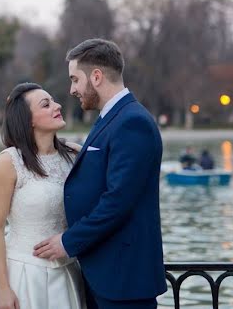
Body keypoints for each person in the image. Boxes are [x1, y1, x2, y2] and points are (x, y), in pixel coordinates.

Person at [34, 38, 166, 309]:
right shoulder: (112, 117)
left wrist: (69, 242)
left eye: (75, 79)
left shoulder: (133, 122)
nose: (72, 89)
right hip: (105, 274)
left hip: (124, 282)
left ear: (96, 77)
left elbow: (118, 201)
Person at [0, 82, 85, 309]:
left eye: (53, 101)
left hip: (67, 272)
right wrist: (3, 289)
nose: (56, 106)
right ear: (29, 120)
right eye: (46, 105)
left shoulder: (74, 155)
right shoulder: (8, 162)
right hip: (23, 275)